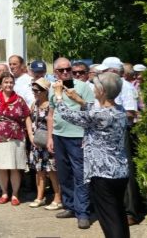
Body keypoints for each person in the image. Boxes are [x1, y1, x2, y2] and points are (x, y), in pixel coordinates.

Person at [53, 72, 129, 238]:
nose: (93, 88)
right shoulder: (119, 110)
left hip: (103, 174)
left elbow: (68, 115)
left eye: (95, 86)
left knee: (109, 219)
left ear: (101, 91)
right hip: (119, 172)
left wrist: (58, 96)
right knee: (117, 214)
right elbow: (95, 111)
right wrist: (79, 100)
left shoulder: (99, 115)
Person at [48, 57, 95, 229]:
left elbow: (91, 111)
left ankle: (83, 212)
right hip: (59, 135)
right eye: (62, 70)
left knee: (80, 175)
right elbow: (51, 113)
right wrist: (49, 137)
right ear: (55, 73)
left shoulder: (83, 87)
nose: (67, 72)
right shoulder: (53, 89)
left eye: (68, 69)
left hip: (78, 136)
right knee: (64, 173)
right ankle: (70, 206)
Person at [0, 72, 32, 206]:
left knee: (15, 167)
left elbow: (26, 116)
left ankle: (15, 194)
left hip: (16, 137)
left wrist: (30, 134)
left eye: (11, 82)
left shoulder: (19, 99)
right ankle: (4, 192)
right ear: (1, 84)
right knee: (1, 167)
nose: (8, 85)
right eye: (6, 82)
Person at [28, 78, 62, 209]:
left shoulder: (51, 105)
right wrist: (31, 135)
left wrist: (50, 138)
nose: (34, 92)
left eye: (37, 90)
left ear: (45, 91)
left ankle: (58, 198)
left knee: (52, 171)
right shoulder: (34, 104)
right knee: (39, 171)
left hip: (49, 142)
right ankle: (39, 197)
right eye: (33, 90)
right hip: (37, 142)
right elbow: (30, 120)